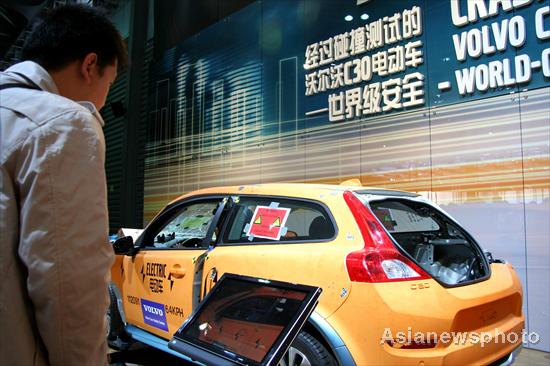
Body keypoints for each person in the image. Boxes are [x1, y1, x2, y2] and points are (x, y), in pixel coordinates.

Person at [0, 4, 127, 365]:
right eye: (109, 83)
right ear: (90, 66)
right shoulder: (63, 123)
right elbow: (68, 286)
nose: (104, 100)